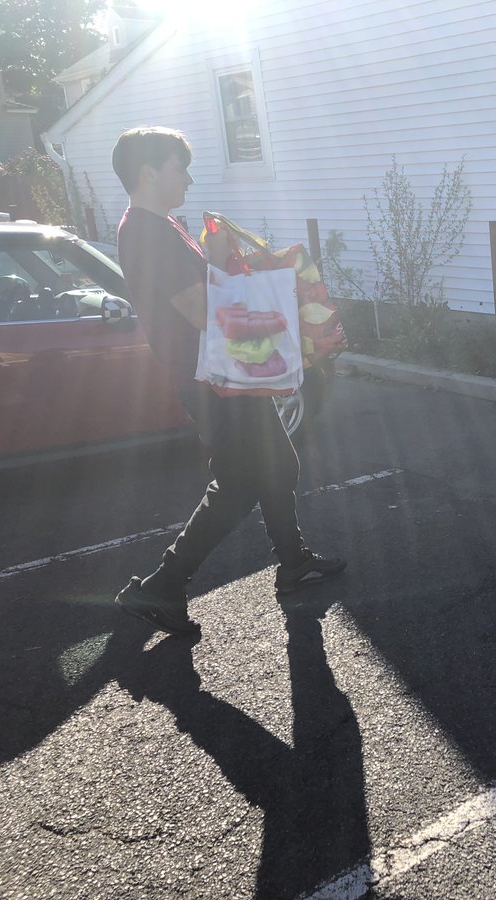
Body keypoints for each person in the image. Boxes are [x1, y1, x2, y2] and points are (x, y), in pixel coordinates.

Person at [111, 126, 345, 636]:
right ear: (149, 173)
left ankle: (294, 562)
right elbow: (201, 311)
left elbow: (207, 295)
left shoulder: (163, 226)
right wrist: (230, 271)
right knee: (239, 482)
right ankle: (161, 586)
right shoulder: (144, 233)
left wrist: (221, 257)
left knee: (277, 464)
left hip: (226, 372)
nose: (189, 179)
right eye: (180, 167)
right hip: (209, 378)